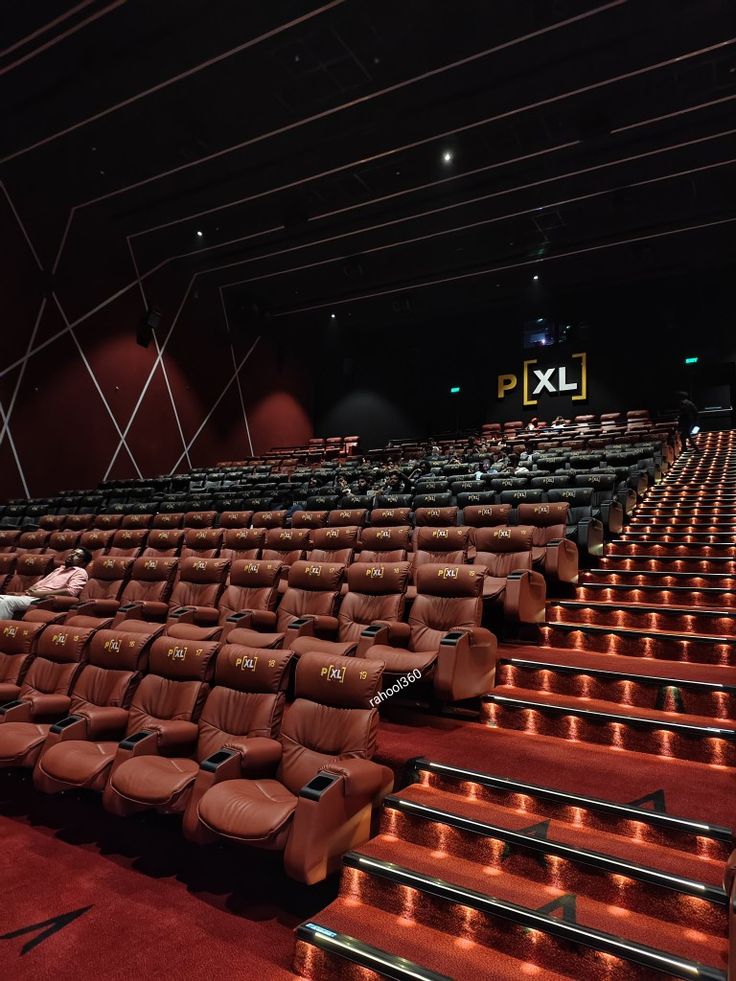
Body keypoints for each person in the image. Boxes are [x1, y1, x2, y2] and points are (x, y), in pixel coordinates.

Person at [0, 547, 91, 620]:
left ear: (83, 563)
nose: (72, 555)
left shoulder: (80, 572)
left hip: (45, 601)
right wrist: (32, 589)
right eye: (72, 553)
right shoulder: (59, 569)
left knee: (6, 602)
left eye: (77, 555)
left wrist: (40, 594)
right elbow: (38, 585)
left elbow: (71, 592)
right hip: (31, 596)